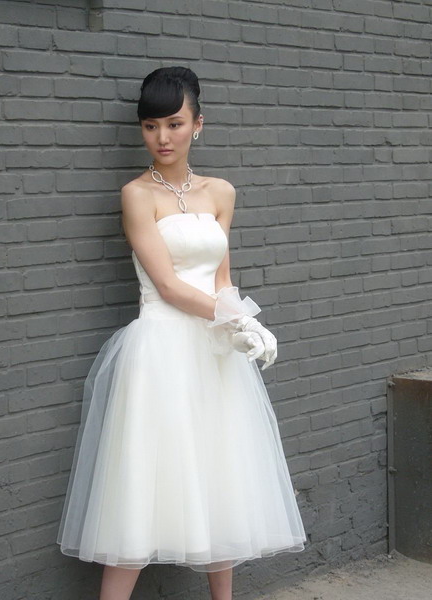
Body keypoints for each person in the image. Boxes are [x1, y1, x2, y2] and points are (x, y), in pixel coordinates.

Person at [56, 66, 307, 600]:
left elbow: (221, 279)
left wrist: (236, 326)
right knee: (138, 494)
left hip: (213, 353)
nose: (162, 137)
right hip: (161, 351)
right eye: (150, 126)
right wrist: (240, 320)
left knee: (220, 479)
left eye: (174, 123)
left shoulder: (221, 192)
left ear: (198, 124)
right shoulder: (137, 195)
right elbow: (168, 287)